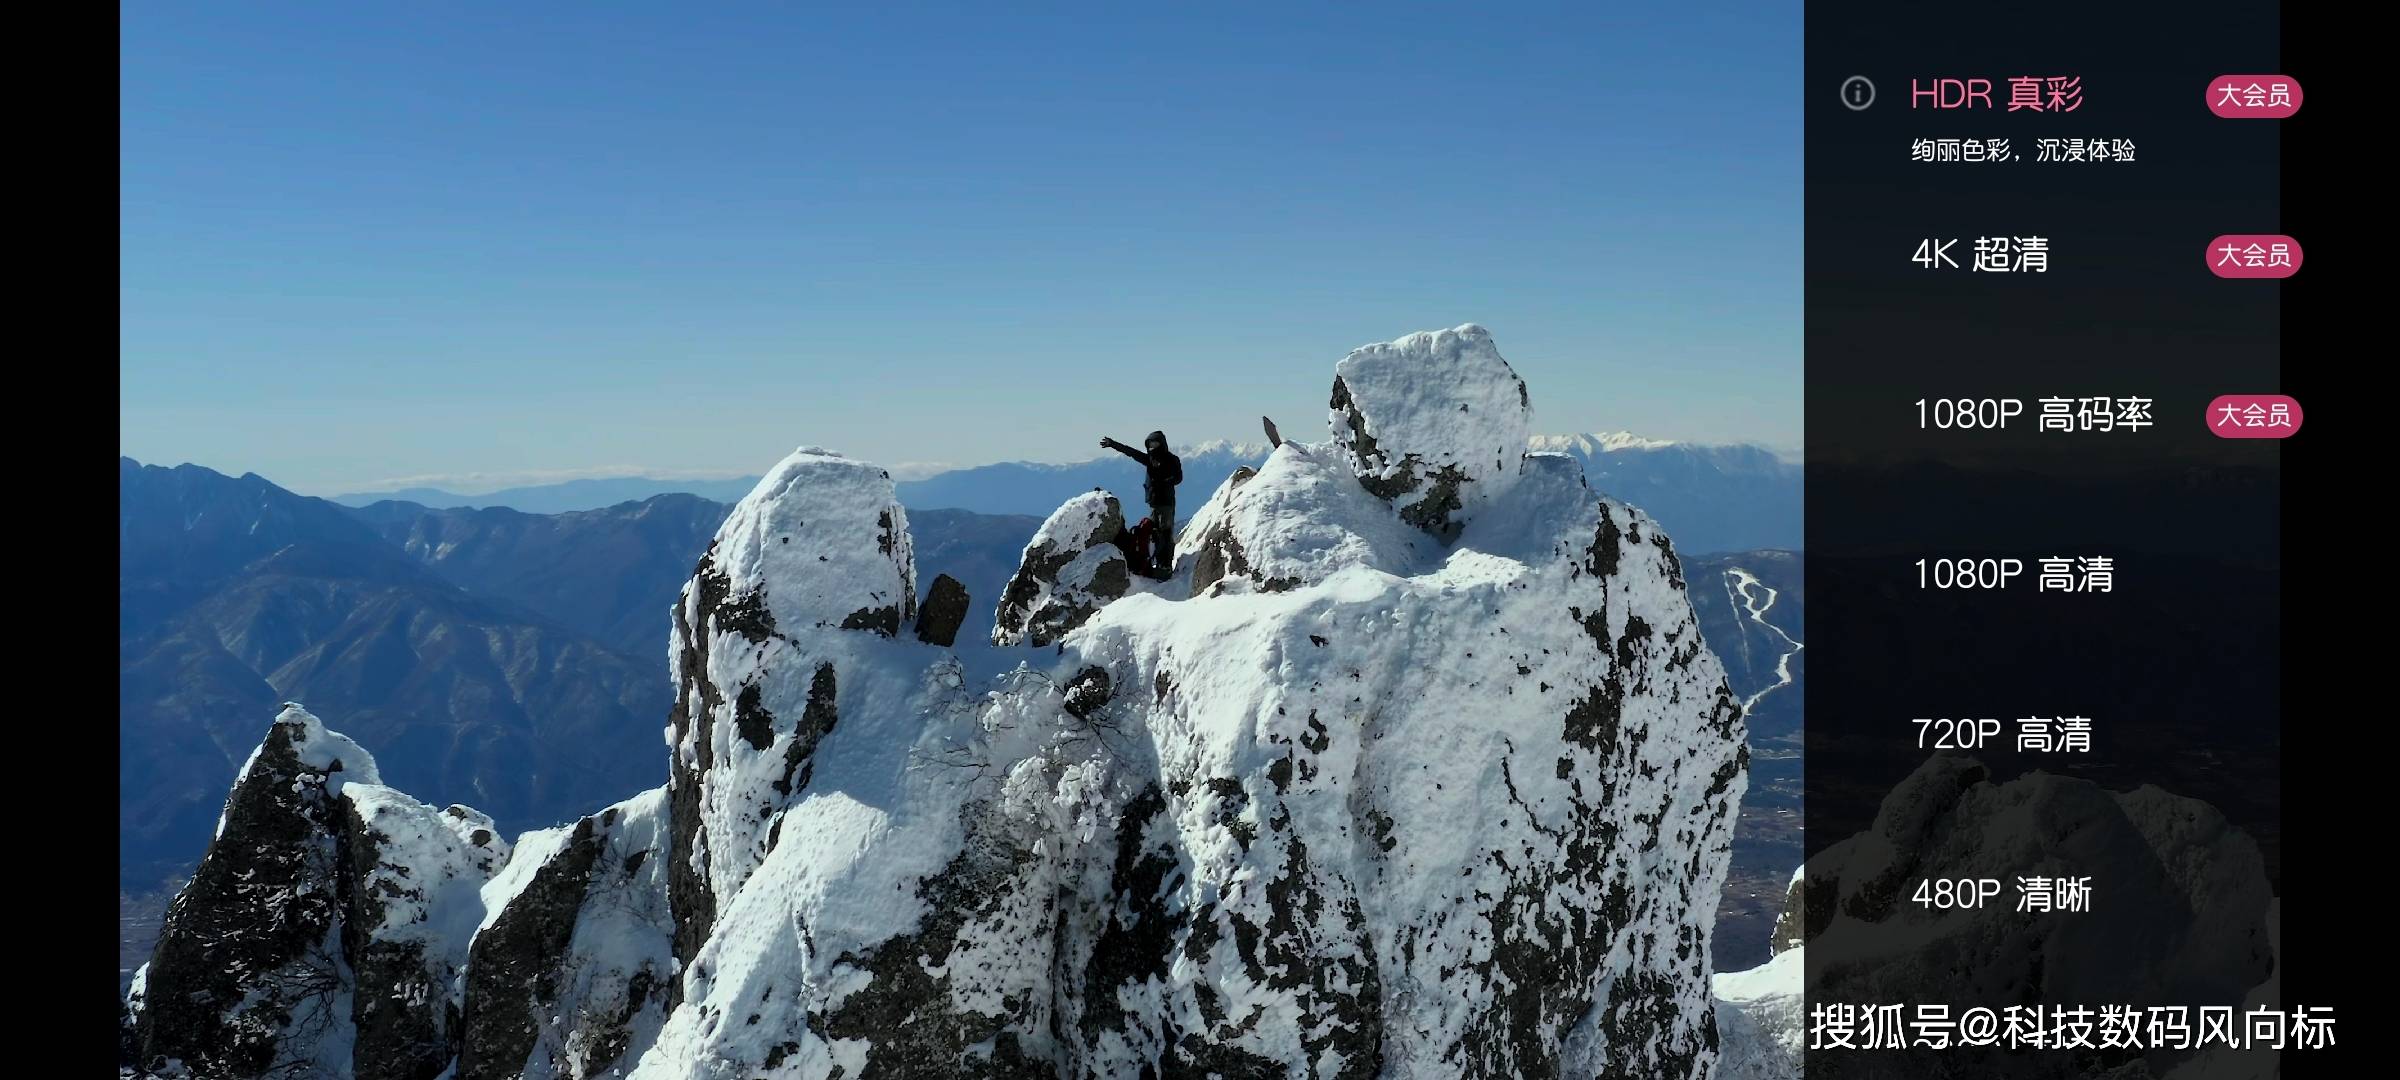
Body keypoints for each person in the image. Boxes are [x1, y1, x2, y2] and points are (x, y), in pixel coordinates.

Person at [1100, 431, 1180, 578]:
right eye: (1150, 444)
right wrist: (1113, 444)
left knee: (1165, 533)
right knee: (1156, 533)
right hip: (1155, 503)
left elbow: (1178, 478)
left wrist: (1164, 478)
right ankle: (1159, 564)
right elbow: (1131, 452)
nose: (1152, 447)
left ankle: (1166, 566)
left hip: (1166, 504)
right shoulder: (1149, 459)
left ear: (1162, 443)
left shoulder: (1171, 460)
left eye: (1155, 443)